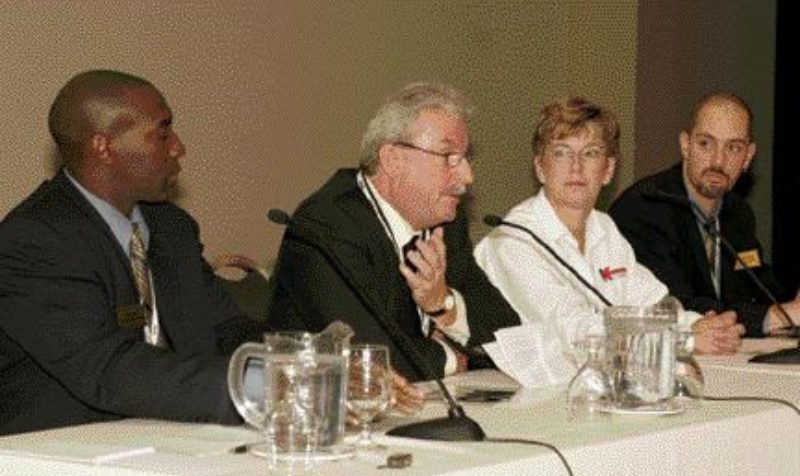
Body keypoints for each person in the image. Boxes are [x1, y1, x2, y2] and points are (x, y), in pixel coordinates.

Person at [0, 70, 421, 436]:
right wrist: (274, 385)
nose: (178, 147)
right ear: (103, 147)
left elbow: (225, 329)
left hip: (170, 442)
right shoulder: (34, 240)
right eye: (162, 133)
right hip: (59, 465)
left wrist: (315, 363)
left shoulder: (170, 228)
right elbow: (111, 370)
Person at [268, 82, 520, 381]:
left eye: (465, 158)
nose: (467, 176)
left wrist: (444, 305)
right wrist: (454, 357)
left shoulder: (445, 224)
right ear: (393, 160)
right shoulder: (327, 226)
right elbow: (369, 359)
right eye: (449, 157)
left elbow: (508, 334)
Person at [475, 97, 744, 364]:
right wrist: (685, 339)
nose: (576, 166)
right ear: (540, 168)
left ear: (608, 170)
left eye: (591, 153)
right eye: (561, 152)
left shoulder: (603, 227)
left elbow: (651, 303)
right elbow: (575, 333)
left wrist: (700, 326)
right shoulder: (513, 241)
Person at [609, 92, 799, 337]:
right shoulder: (644, 208)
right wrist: (773, 316)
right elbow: (671, 307)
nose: (718, 160)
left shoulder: (738, 212)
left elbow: (757, 286)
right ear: (685, 145)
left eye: (733, 147)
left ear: (748, 157)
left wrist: (790, 303)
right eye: (705, 144)